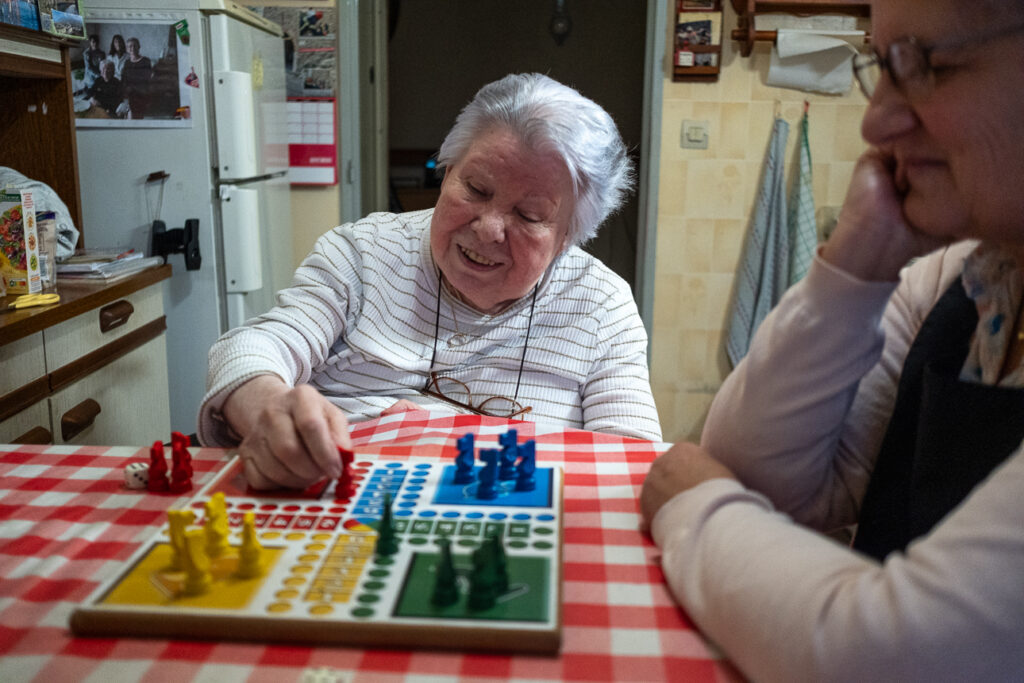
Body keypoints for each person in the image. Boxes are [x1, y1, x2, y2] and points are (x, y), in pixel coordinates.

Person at [641, 1, 1024, 680]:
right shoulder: (963, 276)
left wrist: (696, 506)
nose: (876, 120)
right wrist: (855, 262)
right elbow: (763, 475)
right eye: (883, 66)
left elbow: (894, 653)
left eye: (923, 65)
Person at [199, 73, 661, 490]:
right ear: (446, 172)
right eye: (476, 189)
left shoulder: (602, 306)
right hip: (344, 506)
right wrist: (266, 405)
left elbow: (631, 461)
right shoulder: (363, 251)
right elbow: (254, 346)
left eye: (529, 215)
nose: (487, 228)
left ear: (567, 238)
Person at [121, 37, 152, 119]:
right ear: (127, 49)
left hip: (140, 94)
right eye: (130, 46)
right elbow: (124, 79)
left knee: (134, 115)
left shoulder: (146, 61)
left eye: (135, 45)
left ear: (139, 47)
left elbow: (145, 80)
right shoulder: (127, 63)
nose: (133, 48)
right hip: (128, 94)